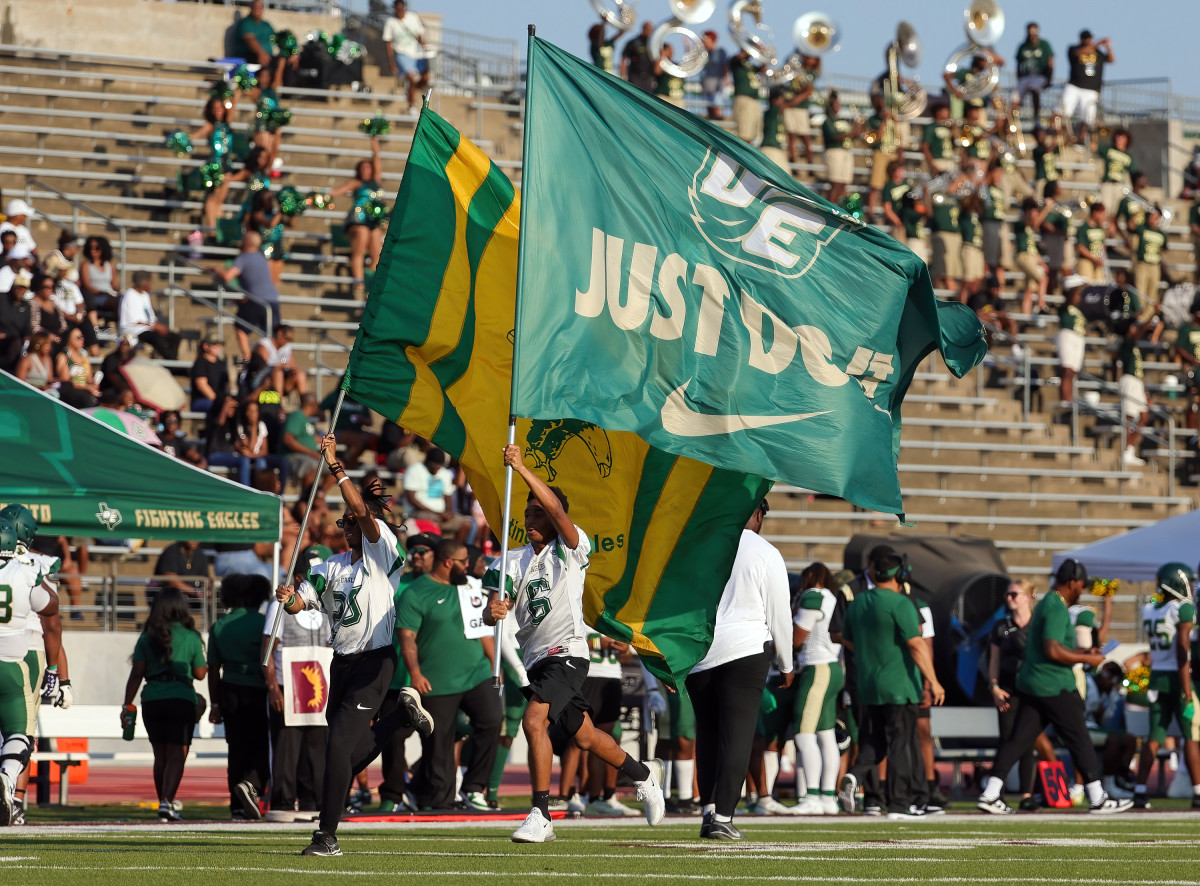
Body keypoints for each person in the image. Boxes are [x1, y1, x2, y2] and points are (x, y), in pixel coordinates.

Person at [484, 444, 665, 844]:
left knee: (533, 721)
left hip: (567, 654)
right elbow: (496, 608)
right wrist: (494, 611)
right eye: (527, 513)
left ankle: (542, 813)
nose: (530, 519)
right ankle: (643, 775)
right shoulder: (509, 560)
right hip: (536, 659)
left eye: (538, 513)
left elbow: (561, 515)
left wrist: (523, 467)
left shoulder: (570, 548)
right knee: (583, 736)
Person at [272, 433, 433, 857]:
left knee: (337, 749)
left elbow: (364, 511)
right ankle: (398, 718)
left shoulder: (384, 555)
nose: (348, 526)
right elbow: (300, 605)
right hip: (339, 663)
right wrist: (289, 599)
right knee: (344, 755)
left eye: (352, 521)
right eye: (343, 523)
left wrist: (336, 467)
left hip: (374, 663)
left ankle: (326, 835)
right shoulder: (329, 565)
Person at [977, 559, 1132, 815]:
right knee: (1079, 737)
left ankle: (990, 793)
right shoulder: (1055, 606)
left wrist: (1084, 650)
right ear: (1072, 582)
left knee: (1017, 741)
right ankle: (1097, 797)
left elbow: (1051, 645)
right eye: (1081, 585)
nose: (1081, 590)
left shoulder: (1049, 603)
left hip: (1033, 682)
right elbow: (1052, 650)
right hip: (1053, 683)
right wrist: (1087, 658)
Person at [684, 498, 792, 839]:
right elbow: (779, 613)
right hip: (745, 649)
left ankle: (709, 811)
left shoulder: (701, 546)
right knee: (737, 735)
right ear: (758, 513)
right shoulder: (764, 551)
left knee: (709, 734)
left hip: (700, 651)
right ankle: (724, 817)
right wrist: (786, 662)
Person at [838, 550, 944, 819]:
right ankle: (899, 804)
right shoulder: (901, 603)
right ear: (900, 574)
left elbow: (842, 636)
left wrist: (869, 653)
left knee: (875, 739)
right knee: (901, 743)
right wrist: (933, 681)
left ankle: (854, 775)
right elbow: (916, 645)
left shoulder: (859, 602)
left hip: (867, 685)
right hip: (899, 685)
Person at [396, 539, 500, 811]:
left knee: (491, 720)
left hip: (476, 674)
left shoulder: (469, 586)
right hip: (436, 681)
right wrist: (415, 674)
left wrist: (493, 666)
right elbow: (407, 638)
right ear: (448, 562)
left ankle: (473, 788)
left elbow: (482, 629)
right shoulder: (416, 593)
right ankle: (438, 800)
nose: (468, 565)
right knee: (438, 744)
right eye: (464, 561)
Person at [122, 588, 207, 822]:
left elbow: (136, 673)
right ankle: (167, 801)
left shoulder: (147, 636)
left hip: (152, 699)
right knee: (178, 754)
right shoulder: (190, 636)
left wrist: (126, 704)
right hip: (181, 698)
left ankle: (163, 802)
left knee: (160, 755)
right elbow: (200, 674)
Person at [262, 545, 332, 822]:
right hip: (287, 687)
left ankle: (314, 800)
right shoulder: (279, 603)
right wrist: (272, 688)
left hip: (320, 689)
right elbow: (268, 646)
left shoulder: (331, 603)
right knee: (286, 750)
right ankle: (283, 801)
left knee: (318, 748)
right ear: (300, 576)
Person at [0, 517, 62, 826]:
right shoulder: (25, 571)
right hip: (13, 667)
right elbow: (50, 607)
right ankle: (8, 780)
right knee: (20, 735)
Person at [1130, 563, 1198, 808]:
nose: (1191, 586)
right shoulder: (1183, 608)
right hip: (1177, 678)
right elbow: (1182, 650)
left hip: (1156, 679)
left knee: (1154, 737)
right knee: (1189, 736)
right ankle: (1198, 792)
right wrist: (1187, 688)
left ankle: (1139, 791)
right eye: (1188, 582)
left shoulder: (1149, 610)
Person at [988, 580, 1057, 810]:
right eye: (1008, 594)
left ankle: (1027, 795)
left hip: (1031, 689)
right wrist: (994, 686)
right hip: (1008, 691)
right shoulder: (1001, 626)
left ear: (1028, 597)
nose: (1010, 598)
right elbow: (994, 659)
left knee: (1028, 742)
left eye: (1015, 594)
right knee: (1008, 742)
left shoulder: (1038, 624)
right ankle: (997, 793)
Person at [208, 574, 271, 820]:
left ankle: (236, 805)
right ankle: (252, 786)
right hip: (261, 689)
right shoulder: (265, 623)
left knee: (236, 749)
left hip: (230, 690)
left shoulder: (221, 625)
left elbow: (214, 668)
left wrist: (215, 703)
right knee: (264, 744)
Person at [790, 562, 844, 815]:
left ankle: (812, 795)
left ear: (811, 576)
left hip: (817, 667)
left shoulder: (813, 596)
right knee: (825, 734)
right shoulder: (832, 597)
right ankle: (827, 797)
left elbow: (796, 638)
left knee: (804, 733)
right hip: (832, 668)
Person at [205, 232, 279, 363]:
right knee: (273, 336)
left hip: (257, 300)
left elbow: (228, 276)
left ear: (246, 242)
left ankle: (248, 359)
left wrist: (215, 269)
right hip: (272, 300)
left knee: (240, 327)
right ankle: (275, 362)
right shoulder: (263, 258)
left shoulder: (244, 258)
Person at [329, 138, 385, 298]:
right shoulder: (356, 182)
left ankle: (370, 282)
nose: (366, 170)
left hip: (373, 221)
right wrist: (323, 196)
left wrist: (375, 145)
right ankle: (359, 282)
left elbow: (378, 161)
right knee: (360, 246)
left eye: (368, 168)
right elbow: (339, 191)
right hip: (358, 220)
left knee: (378, 254)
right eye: (363, 168)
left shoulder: (376, 182)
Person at [403, 448, 470, 542]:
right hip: (417, 512)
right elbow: (411, 499)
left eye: (439, 466)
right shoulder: (415, 470)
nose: (437, 468)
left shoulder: (445, 473)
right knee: (434, 520)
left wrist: (449, 512)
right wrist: (437, 513)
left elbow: (448, 496)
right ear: (428, 461)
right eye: (434, 465)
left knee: (465, 524)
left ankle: (453, 551)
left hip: (440, 514)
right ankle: (436, 551)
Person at [1060, 31, 1113, 144]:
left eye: (1089, 38)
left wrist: (1108, 47)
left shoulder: (1097, 52)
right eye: (1085, 38)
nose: (1088, 41)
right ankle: (1064, 136)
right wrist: (1098, 43)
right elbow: (1078, 53)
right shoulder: (1073, 48)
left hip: (1091, 89)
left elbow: (1111, 59)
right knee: (1064, 112)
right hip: (1075, 86)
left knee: (1087, 117)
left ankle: (1082, 139)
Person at [118, 271, 179, 360]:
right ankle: (172, 362)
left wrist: (158, 326)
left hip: (148, 328)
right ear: (143, 282)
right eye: (149, 282)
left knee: (175, 337)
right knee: (157, 339)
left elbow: (151, 316)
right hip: (134, 330)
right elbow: (134, 321)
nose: (150, 284)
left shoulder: (145, 295)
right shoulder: (129, 296)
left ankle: (172, 361)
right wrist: (155, 327)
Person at [1112, 317, 1149, 467]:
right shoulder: (1127, 342)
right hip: (1129, 380)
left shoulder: (1133, 345)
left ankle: (1129, 449)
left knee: (1144, 417)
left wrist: (1145, 392)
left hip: (1137, 382)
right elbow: (1141, 331)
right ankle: (1126, 451)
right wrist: (1154, 314)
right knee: (1129, 418)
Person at [382, 0, 429, 110]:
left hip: (416, 53)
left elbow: (418, 34)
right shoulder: (390, 22)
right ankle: (411, 105)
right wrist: (392, 63)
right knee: (411, 77)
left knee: (425, 78)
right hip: (401, 53)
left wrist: (422, 45)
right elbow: (388, 44)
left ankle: (409, 92)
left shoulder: (413, 17)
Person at [279, 394, 327, 492]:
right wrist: (311, 453)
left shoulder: (306, 419)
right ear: (313, 405)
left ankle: (317, 496)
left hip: (310, 456)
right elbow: (288, 439)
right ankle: (306, 499)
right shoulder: (296, 416)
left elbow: (310, 437)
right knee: (311, 465)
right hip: (293, 456)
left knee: (337, 466)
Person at [820, 93, 860, 205]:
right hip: (834, 152)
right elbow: (833, 137)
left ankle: (839, 206)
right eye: (836, 104)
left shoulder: (840, 121)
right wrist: (852, 133)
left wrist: (859, 127)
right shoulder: (827, 121)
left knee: (843, 184)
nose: (839, 106)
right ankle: (830, 208)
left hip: (845, 152)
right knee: (835, 183)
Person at [149, 540, 211, 612]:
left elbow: (206, 579)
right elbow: (171, 580)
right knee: (175, 601)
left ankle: (217, 622)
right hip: (169, 595)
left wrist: (208, 590)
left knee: (216, 600)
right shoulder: (171, 552)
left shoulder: (200, 554)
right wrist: (196, 592)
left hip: (193, 596)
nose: (195, 541)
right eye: (192, 537)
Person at [1057, 275, 1090, 405]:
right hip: (1067, 335)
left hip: (1079, 338)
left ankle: (1069, 400)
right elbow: (1068, 294)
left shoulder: (1081, 309)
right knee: (1067, 370)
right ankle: (1065, 400)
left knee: (1073, 372)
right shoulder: (1065, 306)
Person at [1014, 197, 1051, 316]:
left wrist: (1041, 262)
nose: (1036, 214)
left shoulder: (1029, 229)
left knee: (1029, 290)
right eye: (1035, 211)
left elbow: (1033, 247)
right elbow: (1034, 222)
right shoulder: (1020, 223)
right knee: (1043, 279)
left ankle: (1025, 316)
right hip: (1024, 256)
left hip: (1031, 257)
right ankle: (1041, 306)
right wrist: (1046, 209)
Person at [1015, 22, 1053, 121]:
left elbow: (1050, 63)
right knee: (1014, 96)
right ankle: (1011, 121)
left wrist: (1049, 79)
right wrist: (1019, 80)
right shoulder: (1022, 46)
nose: (1032, 35)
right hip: (1026, 76)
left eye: (1034, 32)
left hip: (1040, 76)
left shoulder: (1044, 45)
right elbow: (1018, 65)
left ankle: (1036, 117)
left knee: (1034, 87)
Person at [78, 235, 119, 319]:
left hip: (109, 295)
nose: (93, 251)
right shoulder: (86, 265)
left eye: (97, 248)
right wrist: (102, 293)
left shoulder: (110, 265)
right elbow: (87, 285)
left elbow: (114, 284)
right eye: (91, 248)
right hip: (94, 297)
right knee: (117, 302)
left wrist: (121, 293)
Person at [1097, 129, 1136, 217]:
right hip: (1108, 183)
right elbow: (1094, 147)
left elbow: (1134, 173)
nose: (1118, 140)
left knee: (1115, 212)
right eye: (1117, 137)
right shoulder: (1108, 150)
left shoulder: (1128, 157)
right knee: (1105, 208)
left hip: (1120, 185)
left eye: (1122, 138)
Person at [729, 49, 763, 145]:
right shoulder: (736, 62)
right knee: (744, 134)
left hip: (754, 100)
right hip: (744, 99)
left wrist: (762, 57)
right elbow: (735, 59)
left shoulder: (750, 65)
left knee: (752, 133)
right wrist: (750, 50)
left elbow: (762, 70)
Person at [190, 334, 229, 415]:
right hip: (202, 400)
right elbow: (202, 386)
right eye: (215, 345)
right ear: (206, 346)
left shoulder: (221, 364)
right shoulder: (200, 363)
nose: (219, 347)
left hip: (218, 400)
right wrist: (217, 401)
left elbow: (226, 386)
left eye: (219, 345)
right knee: (220, 407)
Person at [233, 0, 274, 67]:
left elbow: (277, 38)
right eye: (255, 7)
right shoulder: (245, 23)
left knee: (284, 61)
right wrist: (261, 53)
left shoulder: (266, 25)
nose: (257, 9)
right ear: (251, 8)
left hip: (267, 57)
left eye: (259, 7)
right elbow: (249, 39)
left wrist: (291, 52)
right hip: (250, 57)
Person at [699, 30, 728, 121]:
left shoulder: (720, 51)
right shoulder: (705, 53)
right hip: (707, 86)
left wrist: (726, 80)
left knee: (717, 110)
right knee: (710, 111)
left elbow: (725, 67)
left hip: (717, 86)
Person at [619, 22, 655, 93]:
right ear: (643, 29)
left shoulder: (653, 44)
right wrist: (623, 75)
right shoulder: (633, 43)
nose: (650, 32)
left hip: (648, 77)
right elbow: (624, 59)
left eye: (651, 30)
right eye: (648, 29)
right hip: (635, 76)